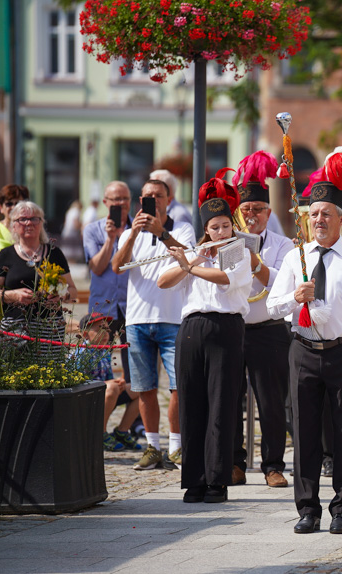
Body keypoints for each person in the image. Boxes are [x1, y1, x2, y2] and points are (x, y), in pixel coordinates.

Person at [267, 151, 342, 535]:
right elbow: (272, 305)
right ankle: (308, 508)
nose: (318, 220)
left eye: (326, 213)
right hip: (302, 350)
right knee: (305, 433)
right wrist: (294, 297)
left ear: (341, 219)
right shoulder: (295, 258)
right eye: (313, 214)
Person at [159, 181, 253, 503]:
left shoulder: (237, 251)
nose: (222, 231)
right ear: (207, 229)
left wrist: (190, 267)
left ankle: (217, 480)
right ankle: (194, 479)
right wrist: (193, 260)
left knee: (222, 405)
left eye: (226, 225)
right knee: (192, 403)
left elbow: (227, 279)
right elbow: (163, 281)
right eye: (216, 227)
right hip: (191, 328)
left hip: (226, 327)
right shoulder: (195, 254)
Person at [113, 179, 196, 472]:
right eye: (148, 196)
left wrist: (161, 232)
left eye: (158, 196)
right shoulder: (129, 232)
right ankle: (153, 447)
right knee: (145, 388)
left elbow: (189, 256)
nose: (153, 201)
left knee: (178, 387)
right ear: (140, 200)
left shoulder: (181, 227)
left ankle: (176, 446)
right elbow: (117, 266)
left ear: (168, 199)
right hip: (137, 320)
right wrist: (134, 233)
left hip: (173, 318)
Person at [230, 151, 295, 489]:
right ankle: (235, 463)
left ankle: (273, 465)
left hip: (269, 328)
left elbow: (280, 284)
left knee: (271, 402)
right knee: (230, 399)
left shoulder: (283, 245)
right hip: (235, 327)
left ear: (268, 213)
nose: (251, 215)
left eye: (257, 210)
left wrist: (254, 261)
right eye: (245, 210)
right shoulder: (228, 241)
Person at [0, 201, 78, 362]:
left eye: (34, 219)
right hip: (15, 326)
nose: (28, 223)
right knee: (17, 375)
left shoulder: (54, 253)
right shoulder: (5, 255)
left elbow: (73, 290)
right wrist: (12, 295)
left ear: (41, 223)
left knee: (49, 374)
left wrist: (61, 295)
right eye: (22, 219)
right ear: (13, 225)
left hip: (50, 327)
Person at [83, 181, 134, 420]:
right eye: (115, 200)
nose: (120, 204)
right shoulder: (93, 229)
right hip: (102, 308)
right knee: (96, 372)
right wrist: (111, 240)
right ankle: (95, 423)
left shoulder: (141, 229)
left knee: (136, 374)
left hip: (132, 307)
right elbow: (97, 266)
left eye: (124, 199)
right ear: (105, 202)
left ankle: (127, 428)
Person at [74, 312, 142, 452]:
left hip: (104, 394)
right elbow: (78, 384)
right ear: (85, 334)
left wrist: (119, 383)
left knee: (141, 390)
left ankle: (122, 431)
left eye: (107, 329)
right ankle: (99, 433)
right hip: (86, 399)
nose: (105, 333)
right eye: (99, 328)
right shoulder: (82, 353)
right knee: (111, 388)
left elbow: (109, 379)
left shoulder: (104, 352)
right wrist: (111, 384)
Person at [0, 184, 31, 252]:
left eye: (18, 203)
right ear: (1, 207)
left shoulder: (31, 228)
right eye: (9, 204)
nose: (13, 207)